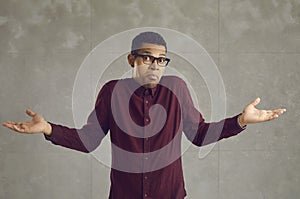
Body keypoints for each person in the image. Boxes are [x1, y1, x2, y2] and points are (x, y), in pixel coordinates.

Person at [2, 31, 286, 199]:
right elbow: (89, 139)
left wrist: (240, 121)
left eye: (161, 59)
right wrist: (48, 127)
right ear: (132, 60)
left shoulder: (177, 89)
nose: (155, 65)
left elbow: (199, 134)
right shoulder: (112, 92)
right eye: (148, 57)